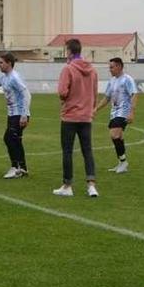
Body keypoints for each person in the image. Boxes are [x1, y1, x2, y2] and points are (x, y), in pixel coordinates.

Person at [53, 38, 99, 198]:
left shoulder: (68, 69)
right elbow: (94, 93)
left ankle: (67, 185)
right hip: (86, 116)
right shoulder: (92, 70)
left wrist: (65, 100)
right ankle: (91, 185)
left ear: (69, 51)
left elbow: (62, 92)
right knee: (88, 151)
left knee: (67, 151)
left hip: (70, 116)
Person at [95, 57, 138, 174]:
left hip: (123, 112)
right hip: (114, 112)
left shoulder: (127, 79)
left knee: (114, 134)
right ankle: (122, 162)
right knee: (118, 137)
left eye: (112, 67)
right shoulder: (112, 80)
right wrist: (96, 109)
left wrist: (132, 112)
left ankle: (123, 162)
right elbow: (107, 98)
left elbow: (134, 94)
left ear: (119, 66)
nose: (110, 69)